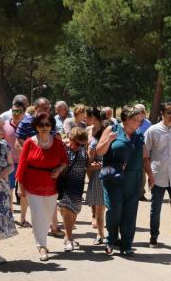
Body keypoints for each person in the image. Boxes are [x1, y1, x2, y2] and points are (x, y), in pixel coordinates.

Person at [16, 113, 68, 261]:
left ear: (51, 126)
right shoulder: (29, 142)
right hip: (32, 185)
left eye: (47, 124)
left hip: (52, 186)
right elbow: (22, 165)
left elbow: (64, 161)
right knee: (37, 214)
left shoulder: (57, 143)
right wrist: (20, 186)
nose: (44, 128)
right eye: (41, 125)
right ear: (36, 127)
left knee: (46, 215)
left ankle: (41, 238)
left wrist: (58, 170)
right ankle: (41, 245)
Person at [96, 106, 146, 256]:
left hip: (134, 177)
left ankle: (126, 244)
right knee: (114, 208)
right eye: (136, 120)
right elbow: (99, 151)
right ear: (127, 120)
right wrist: (109, 140)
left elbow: (144, 156)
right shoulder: (113, 129)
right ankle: (110, 240)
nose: (139, 123)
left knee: (130, 211)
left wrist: (150, 174)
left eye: (140, 120)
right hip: (114, 177)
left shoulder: (138, 135)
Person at [144, 101, 171, 253]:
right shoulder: (152, 131)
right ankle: (154, 236)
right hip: (158, 176)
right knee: (155, 209)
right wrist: (149, 174)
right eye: (169, 112)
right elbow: (146, 155)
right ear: (162, 113)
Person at [16, 97, 63, 237]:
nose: (47, 110)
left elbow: (55, 143)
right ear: (36, 108)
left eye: (49, 108)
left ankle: (53, 226)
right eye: (44, 108)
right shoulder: (26, 122)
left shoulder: (50, 122)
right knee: (28, 199)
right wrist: (34, 151)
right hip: (32, 166)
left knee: (51, 201)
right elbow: (19, 141)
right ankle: (24, 219)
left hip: (49, 171)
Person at [57, 127, 89, 252]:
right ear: (70, 139)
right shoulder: (63, 148)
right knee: (67, 210)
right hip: (65, 185)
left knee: (74, 211)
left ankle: (67, 236)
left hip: (78, 185)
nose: (79, 146)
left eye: (82, 144)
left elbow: (86, 166)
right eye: (77, 143)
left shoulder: (82, 150)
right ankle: (69, 239)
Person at [0, 116, 18, 264]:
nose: (3, 130)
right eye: (0, 128)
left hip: (1, 190)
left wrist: (7, 171)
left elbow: (11, 164)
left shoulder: (4, 146)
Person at [3, 101, 30, 227]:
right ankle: (10, 215)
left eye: (19, 111)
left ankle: (23, 219)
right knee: (9, 190)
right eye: (14, 111)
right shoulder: (5, 125)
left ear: (24, 112)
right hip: (9, 163)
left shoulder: (28, 127)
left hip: (25, 163)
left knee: (24, 192)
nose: (16, 114)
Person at [85, 108, 107, 244]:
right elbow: (88, 155)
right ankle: (100, 234)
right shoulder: (88, 131)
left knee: (108, 205)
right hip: (95, 169)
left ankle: (111, 233)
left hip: (108, 170)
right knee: (99, 204)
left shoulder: (108, 129)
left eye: (87, 117)